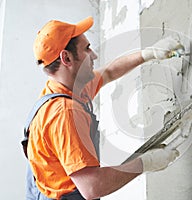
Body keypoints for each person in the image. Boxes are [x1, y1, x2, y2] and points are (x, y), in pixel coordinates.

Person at [25, 16, 181, 200]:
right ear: (66, 58)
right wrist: (146, 163)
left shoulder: (65, 89)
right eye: (86, 49)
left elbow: (108, 72)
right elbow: (92, 187)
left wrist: (149, 53)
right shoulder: (64, 114)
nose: (94, 55)